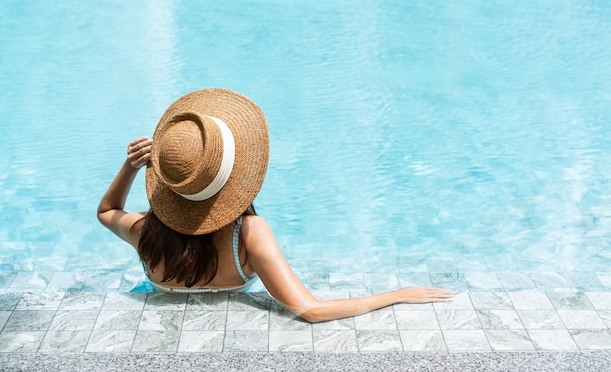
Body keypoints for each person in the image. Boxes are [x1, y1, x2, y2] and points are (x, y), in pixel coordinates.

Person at [98, 87, 454, 323]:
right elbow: (309, 310)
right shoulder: (249, 235)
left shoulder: (145, 231)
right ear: (237, 178)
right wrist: (397, 295)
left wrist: (128, 168)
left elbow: (106, 211)